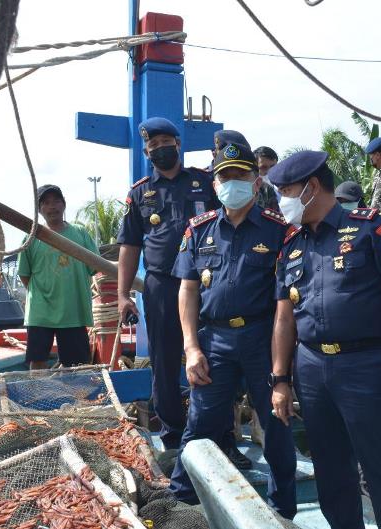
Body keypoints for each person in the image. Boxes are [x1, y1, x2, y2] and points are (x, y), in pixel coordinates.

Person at [268, 151, 381, 529]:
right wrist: (280, 378)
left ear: (310, 188)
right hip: (311, 368)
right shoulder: (292, 245)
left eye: (285, 190)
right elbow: (283, 317)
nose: (281, 200)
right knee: (330, 469)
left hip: (366, 365)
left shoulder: (370, 229)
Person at [168, 141, 297, 518]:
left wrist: (281, 370)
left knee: (276, 425)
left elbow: (284, 306)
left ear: (256, 182)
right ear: (214, 183)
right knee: (201, 423)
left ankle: (282, 511)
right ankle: (180, 505)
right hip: (215, 342)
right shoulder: (198, 231)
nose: (232, 183)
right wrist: (192, 348)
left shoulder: (279, 232)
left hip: (263, 339)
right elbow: (187, 290)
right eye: (225, 176)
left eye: (241, 175)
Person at [117, 117, 221, 450]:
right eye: (153, 146)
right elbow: (130, 246)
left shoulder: (207, 183)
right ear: (147, 152)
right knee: (163, 358)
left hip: (206, 281)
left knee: (212, 352)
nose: (159, 149)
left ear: (178, 144)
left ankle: (218, 431)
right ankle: (174, 434)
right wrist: (122, 295)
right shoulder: (140, 193)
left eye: (165, 142)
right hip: (161, 285)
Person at [17, 184, 98, 370]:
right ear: (40, 209)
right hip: (40, 312)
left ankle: (79, 398)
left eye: (56, 201)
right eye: (46, 203)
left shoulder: (80, 233)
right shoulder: (30, 237)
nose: (52, 206)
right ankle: (37, 394)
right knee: (37, 360)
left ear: (64, 205)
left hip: (73, 311)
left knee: (78, 365)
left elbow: (94, 267)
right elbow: (25, 276)